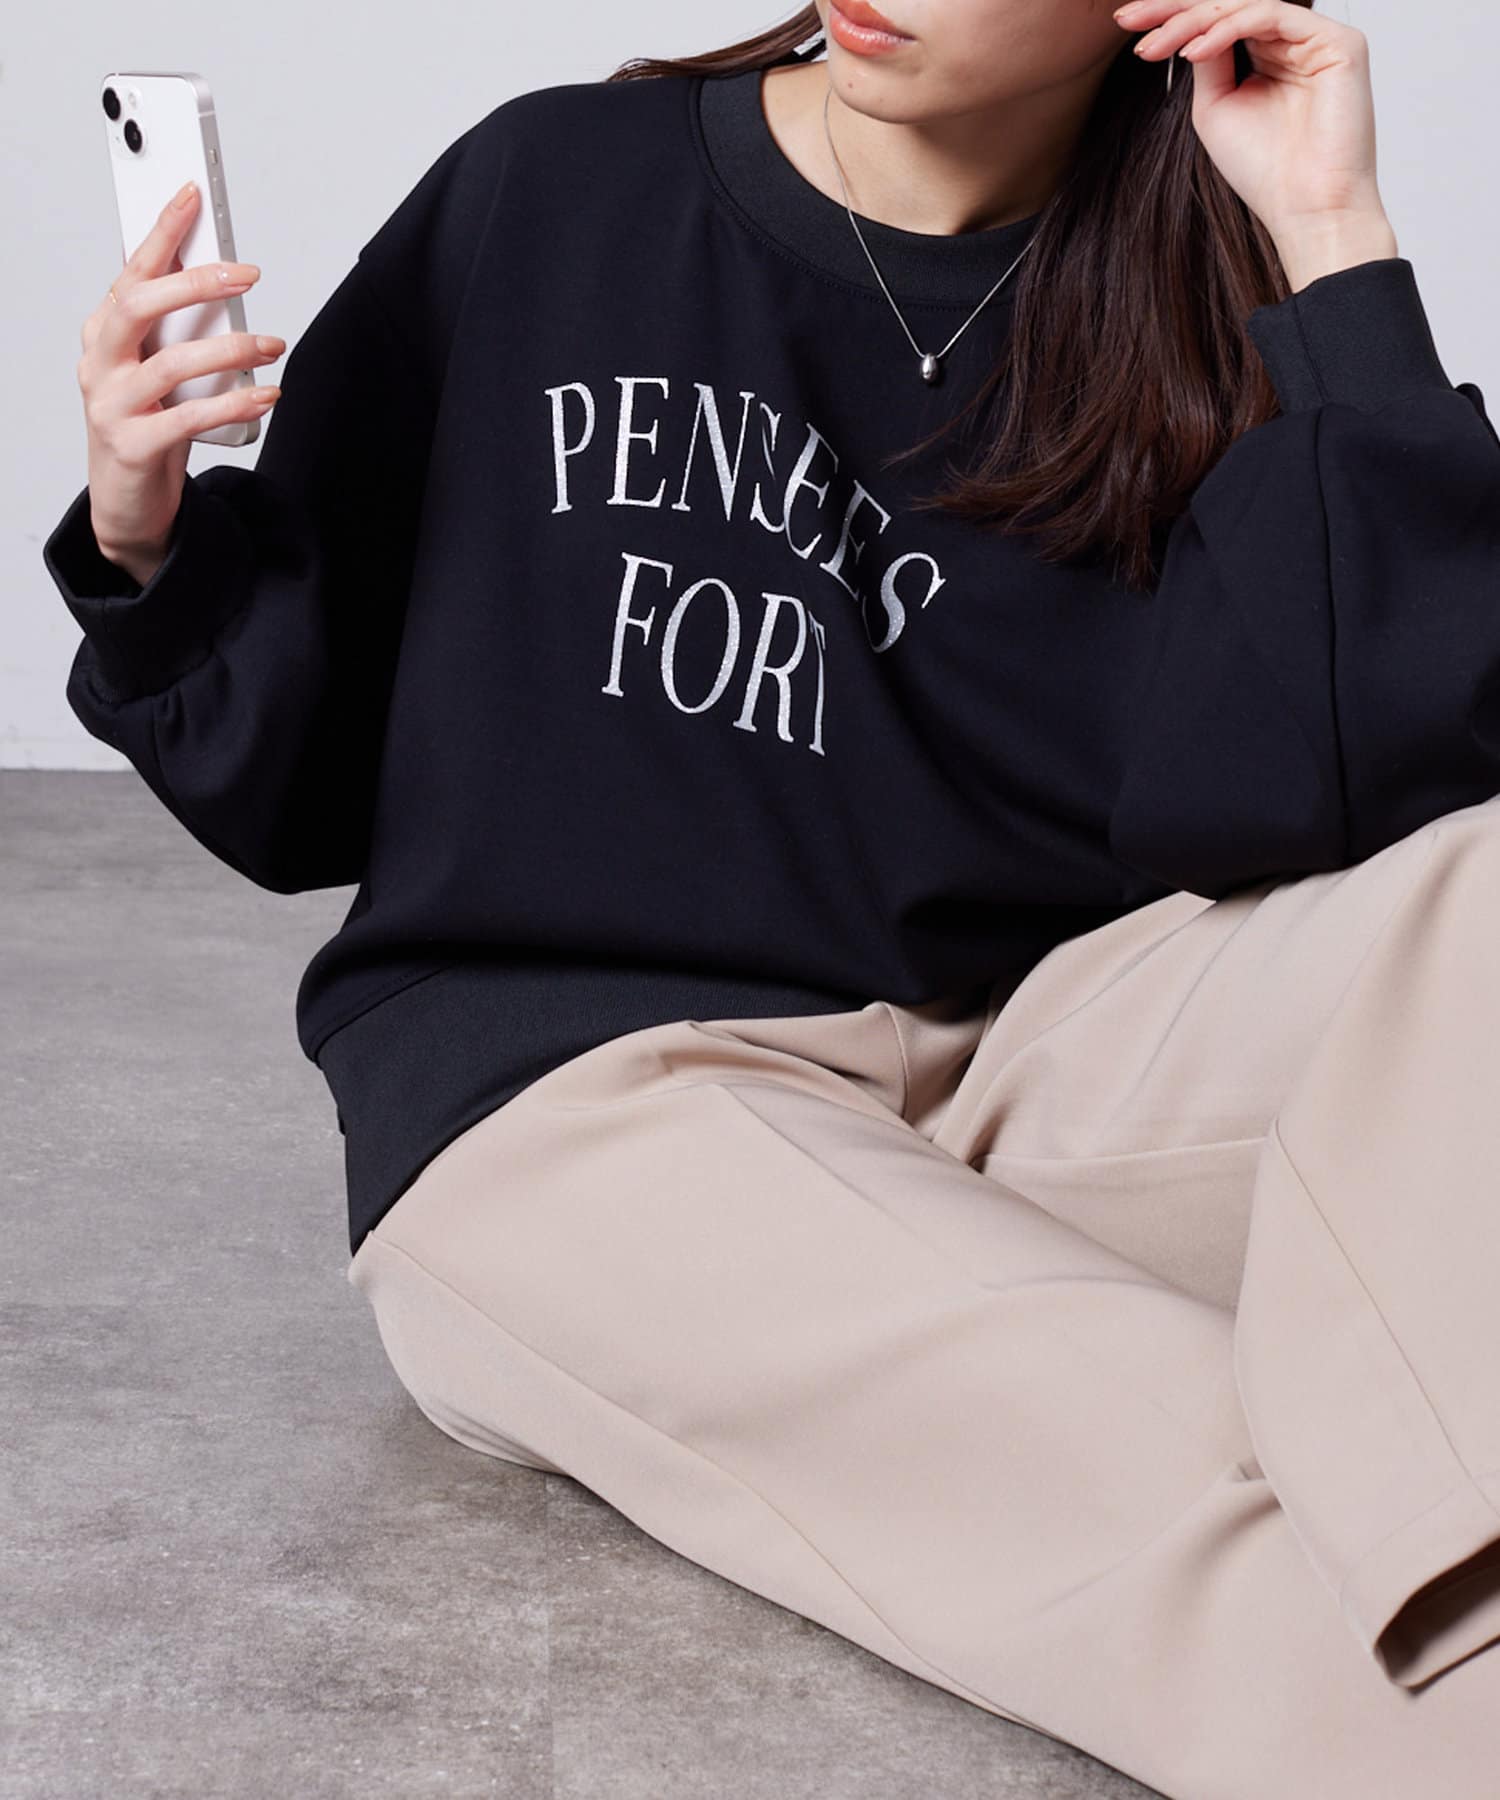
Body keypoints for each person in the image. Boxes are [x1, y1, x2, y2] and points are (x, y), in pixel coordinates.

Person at [44, 2, 1500, 1793]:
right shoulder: (557, 186)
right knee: (1215, 1484)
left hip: (1023, 1073)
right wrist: (144, 534)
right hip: (579, 1108)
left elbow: (1387, 794)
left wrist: (1335, 240)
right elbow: (304, 774)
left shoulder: (1185, 296)